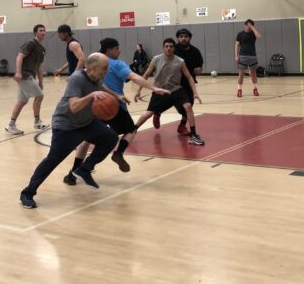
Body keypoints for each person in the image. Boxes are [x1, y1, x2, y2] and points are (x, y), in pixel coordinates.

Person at [63, 38, 171, 185]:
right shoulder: (117, 64)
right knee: (131, 130)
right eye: (117, 48)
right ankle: (119, 152)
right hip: (114, 106)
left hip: (94, 105)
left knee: (87, 139)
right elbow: (134, 77)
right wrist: (153, 88)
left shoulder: (94, 61)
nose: (119, 51)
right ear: (109, 49)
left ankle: (73, 174)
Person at [19, 53, 119, 209]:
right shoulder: (77, 78)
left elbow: (100, 87)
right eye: (104, 68)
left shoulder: (96, 77)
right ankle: (27, 193)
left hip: (86, 123)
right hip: (67, 126)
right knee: (52, 160)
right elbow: (74, 107)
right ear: (93, 68)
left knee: (111, 138)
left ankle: (84, 169)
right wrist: (91, 96)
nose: (106, 71)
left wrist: (116, 96)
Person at [134, 38, 205, 146]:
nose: (169, 48)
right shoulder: (156, 59)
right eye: (166, 46)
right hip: (160, 90)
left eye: (171, 46)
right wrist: (138, 91)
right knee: (148, 114)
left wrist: (195, 93)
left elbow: (189, 77)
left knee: (188, 106)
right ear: (163, 48)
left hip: (176, 90)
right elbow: (146, 74)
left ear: (174, 48)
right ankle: (132, 131)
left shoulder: (180, 61)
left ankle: (193, 135)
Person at [152, 28, 203, 136]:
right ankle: (157, 112)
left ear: (189, 38)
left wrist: (198, 70)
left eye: (186, 36)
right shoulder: (173, 49)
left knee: (188, 106)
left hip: (187, 83)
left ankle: (182, 126)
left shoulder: (195, 51)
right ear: (178, 38)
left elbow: (199, 67)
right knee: (166, 101)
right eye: (181, 37)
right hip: (174, 83)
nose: (183, 38)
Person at [5, 24, 49, 135]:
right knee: (39, 96)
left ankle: (11, 125)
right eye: (40, 30)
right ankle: (37, 121)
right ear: (35, 33)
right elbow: (19, 56)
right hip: (25, 75)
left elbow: (40, 66)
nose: (43, 32)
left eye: (44, 31)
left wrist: (41, 81)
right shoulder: (31, 43)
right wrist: (18, 72)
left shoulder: (42, 49)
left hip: (31, 75)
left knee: (22, 101)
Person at [235, 19, 262, 97]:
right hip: (242, 56)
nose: (249, 27)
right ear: (245, 25)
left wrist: (252, 28)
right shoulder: (240, 34)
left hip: (252, 56)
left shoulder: (253, 33)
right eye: (248, 25)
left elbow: (259, 36)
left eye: (251, 25)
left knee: (253, 74)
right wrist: (236, 56)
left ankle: (255, 89)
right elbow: (237, 45)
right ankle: (239, 90)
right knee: (241, 74)